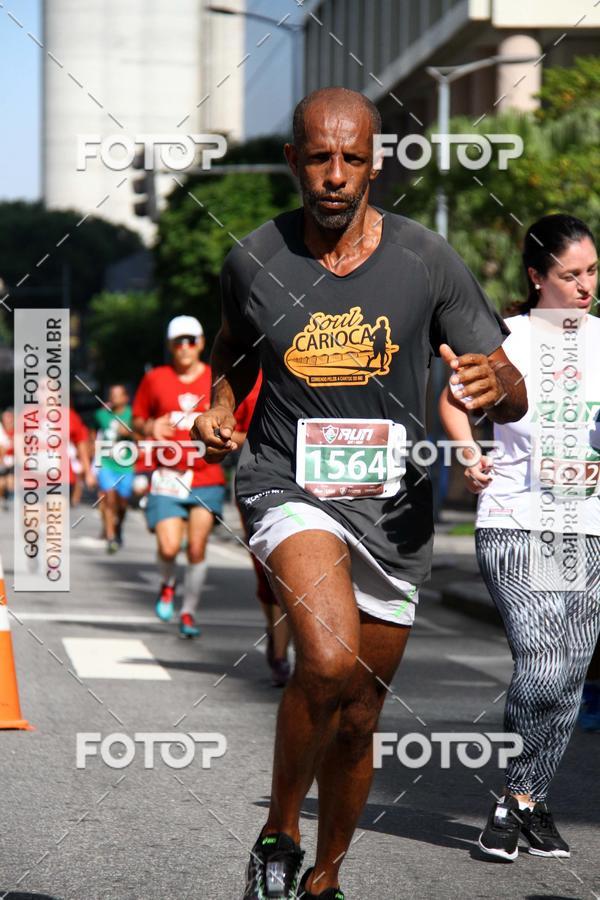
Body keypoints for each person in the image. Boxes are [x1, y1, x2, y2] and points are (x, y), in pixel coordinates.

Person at [192, 87, 527, 899]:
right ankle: (278, 834)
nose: (335, 175)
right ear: (293, 162)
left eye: (351, 158)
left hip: (395, 507)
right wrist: (220, 403)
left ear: (375, 162)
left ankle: (327, 877)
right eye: (318, 157)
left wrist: (497, 384)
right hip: (286, 483)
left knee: (360, 716)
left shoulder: (426, 259)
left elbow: (510, 391)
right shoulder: (255, 259)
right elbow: (235, 347)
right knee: (328, 658)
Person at [439, 214, 600, 862]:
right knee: (540, 662)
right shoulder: (506, 339)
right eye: (570, 275)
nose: (586, 286)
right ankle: (516, 803)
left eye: (592, 271)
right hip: (514, 514)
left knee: (570, 672)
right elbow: (455, 398)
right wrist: (466, 452)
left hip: (580, 525)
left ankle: (524, 801)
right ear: (537, 277)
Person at [132, 315, 226, 639]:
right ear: (171, 346)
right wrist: (148, 428)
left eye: (190, 340)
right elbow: (136, 420)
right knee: (170, 548)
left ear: (201, 343)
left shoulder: (217, 380)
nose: (184, 347)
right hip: (167, 476)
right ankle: (168, 583)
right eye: (178, 341)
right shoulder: (156, 378)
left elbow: (240, 421)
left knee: (197, 548)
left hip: (206, 476)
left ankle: (188, 611)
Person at [233, 373, 292, 687]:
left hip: (311, 480)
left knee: (293, 572)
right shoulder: (248, 378)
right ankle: (276, 634)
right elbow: (232, 431)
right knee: (267, 571)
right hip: (259, 483)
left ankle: (281, 655)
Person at [94, 384, 134, 553]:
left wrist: (130, 432)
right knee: (109, 497)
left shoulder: (132, 414)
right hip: (106, 463)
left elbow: (142, 433)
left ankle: (118, 528)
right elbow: (93, 436)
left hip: (126, 464)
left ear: (126, 397)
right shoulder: (101, 415)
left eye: (118, 394)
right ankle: (111, 537)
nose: (115, 397)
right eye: (112, 394)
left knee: (123, 504)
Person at [0, 408, 15, 509]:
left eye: (9, 418)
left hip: (13, 462)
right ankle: (2, 500)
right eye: (6, 418)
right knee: (1, 483)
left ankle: (11, 499)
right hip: (2, 461)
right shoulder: (1, 432)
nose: (8, 421)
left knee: (10, 483)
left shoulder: (16, 432)